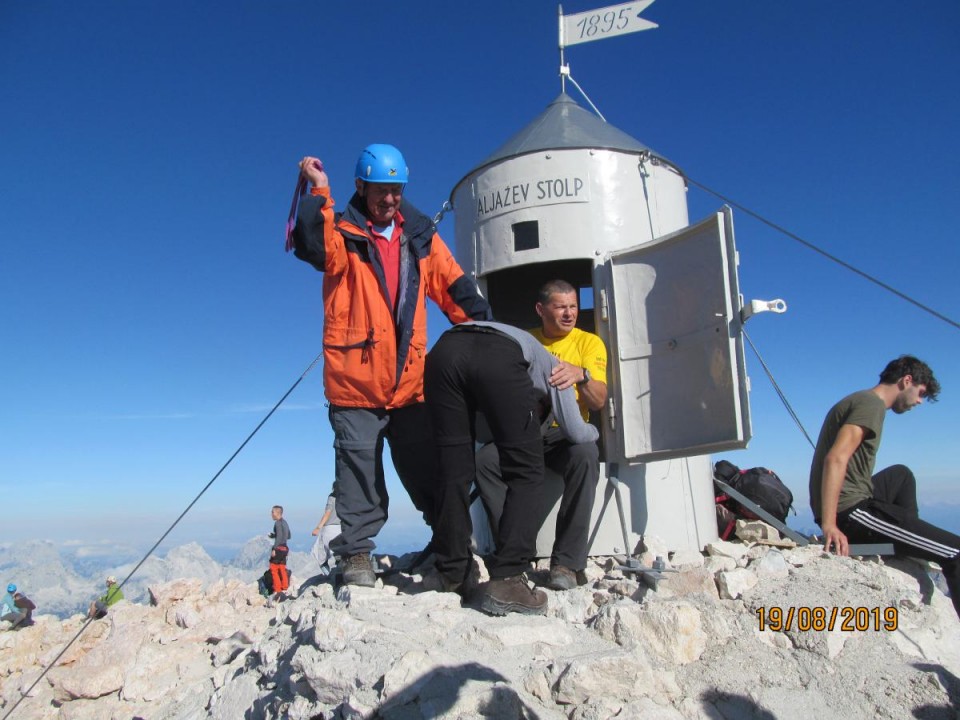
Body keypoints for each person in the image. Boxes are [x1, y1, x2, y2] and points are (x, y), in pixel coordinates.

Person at [289, 144, 492, 587]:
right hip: (354, 383)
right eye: (381, 191)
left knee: (428, 468)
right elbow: (314, 248)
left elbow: (453, 286)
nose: (390, 200)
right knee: (357, 469)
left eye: (396, 191)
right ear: (361, 187)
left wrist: (487, 331)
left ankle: (448, 544)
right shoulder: (343, 232)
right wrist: (319, 191)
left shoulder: (419, 236)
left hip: (409, 383)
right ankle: (357, 553)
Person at [424, 321, 600, 615]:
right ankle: (508, 579)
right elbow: (577, 431)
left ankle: (453, 574)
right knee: (526, 470)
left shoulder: (516, 346)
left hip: (443, 351)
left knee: (452, 470)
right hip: (497, 352)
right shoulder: (554, 366)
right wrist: (595, 431)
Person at [475, 279, 607, 590]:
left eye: (572, 306)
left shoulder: (589, 343)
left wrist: (581, 374)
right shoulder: (523, 341)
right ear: (541, 309)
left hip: (566, 436)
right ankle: (514, 555)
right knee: (485, 462)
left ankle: (566, 563)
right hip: (527, 433)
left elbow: (599, 400)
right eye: (560, 306)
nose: (569, 313)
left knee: (586, 455)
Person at [809, 355, 960, 618]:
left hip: (855, 498)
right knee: (956, 553)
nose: (919, 401)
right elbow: (836, 458)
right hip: (850, 512)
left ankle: (907, 539)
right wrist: (830, 524)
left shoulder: (862, 400)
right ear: (907, 380)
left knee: (901, 475)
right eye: (921, 393)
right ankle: (908, 539)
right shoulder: (871, 405)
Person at [311, 489, 341, 575]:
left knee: (319, 554)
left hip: (330, 528)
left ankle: (328, 575)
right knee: (338, 553)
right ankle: (339, 570)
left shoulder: (332, 497)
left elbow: (328, 513)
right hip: (342, 528)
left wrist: (318, 527)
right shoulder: (348, 497)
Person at [269, 505, 291, 595]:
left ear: (278, 513)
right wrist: (274, 535)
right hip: (285, 548)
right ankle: (285, 587)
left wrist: (274, 548)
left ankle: (277, 589)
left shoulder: (277, 523)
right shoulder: (285, 523)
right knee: (282, 567)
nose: (271, 514)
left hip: (279, 548)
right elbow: (288, 536)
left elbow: (279, 538)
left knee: (273, 568)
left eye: (272, 512)